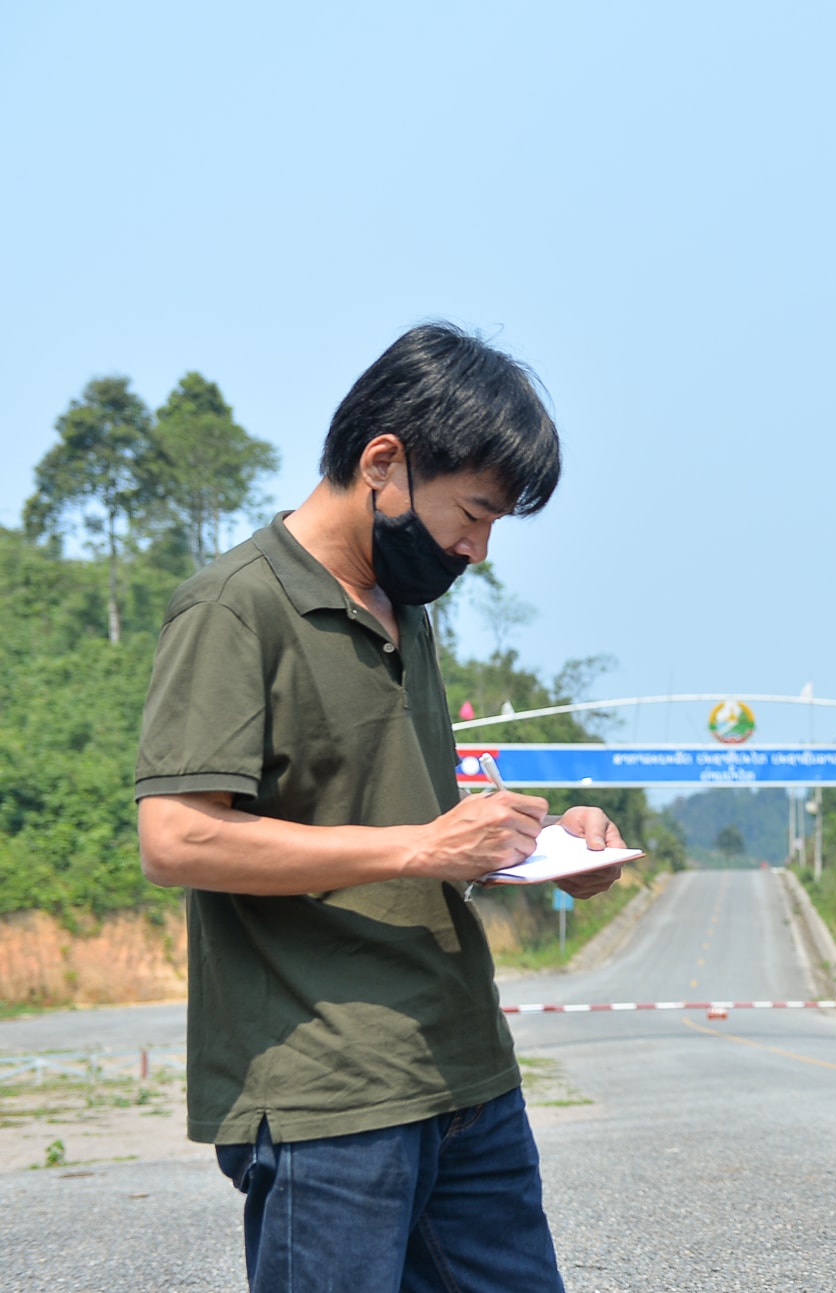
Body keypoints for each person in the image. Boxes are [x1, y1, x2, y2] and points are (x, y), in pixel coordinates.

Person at [135, 323, 628, 1293]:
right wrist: (419, 849)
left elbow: (413, 830)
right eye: (473, 513)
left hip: (466, 1072)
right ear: (384, 464)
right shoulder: (235, 607)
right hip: (330, 1094)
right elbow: (176, 836)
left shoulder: (406, 613)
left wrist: (550, 851)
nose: (477, 550)